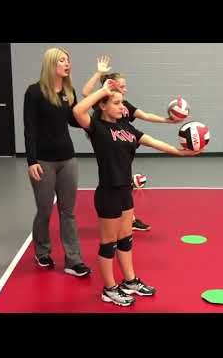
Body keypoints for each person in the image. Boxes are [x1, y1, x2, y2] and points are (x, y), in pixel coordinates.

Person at [73, 79, 203, 306]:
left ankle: (130, 281)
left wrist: (179, 152)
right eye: (116, 103)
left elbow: (151, 141)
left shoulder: (126, 127)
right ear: (103, 105)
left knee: (125, 239)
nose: (122, 107)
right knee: (108, 243)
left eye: (122, 102)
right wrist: (103, 89)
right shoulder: (97, 128)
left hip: (125, 190)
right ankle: (109, 288)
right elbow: (77, 109)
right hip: (108, 192)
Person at [82, 55, 181, 232]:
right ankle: (123, 220)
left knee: (124, 176)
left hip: (126, 139)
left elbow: (146, 115)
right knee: (115, 178)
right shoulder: (104, 101)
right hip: (110, 140)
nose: (126, 89)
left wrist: (168, 120)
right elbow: (85, 93)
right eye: (122, 85)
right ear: (112, 84)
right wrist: (99, 74)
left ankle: (130, 218)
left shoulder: (124, 104)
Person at [23, 47, 91, 277]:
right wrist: (31, 161)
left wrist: (95, 117)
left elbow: (74, 120)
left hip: (68, 159)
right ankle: (42, 252)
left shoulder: (69, 92)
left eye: (68, 60)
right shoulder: (34, 92)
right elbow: (29, 129)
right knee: (44, 210)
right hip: (43, 160)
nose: (67, 63)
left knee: (68, 212)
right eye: (62, 60)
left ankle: (74, 260)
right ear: (51, 64)